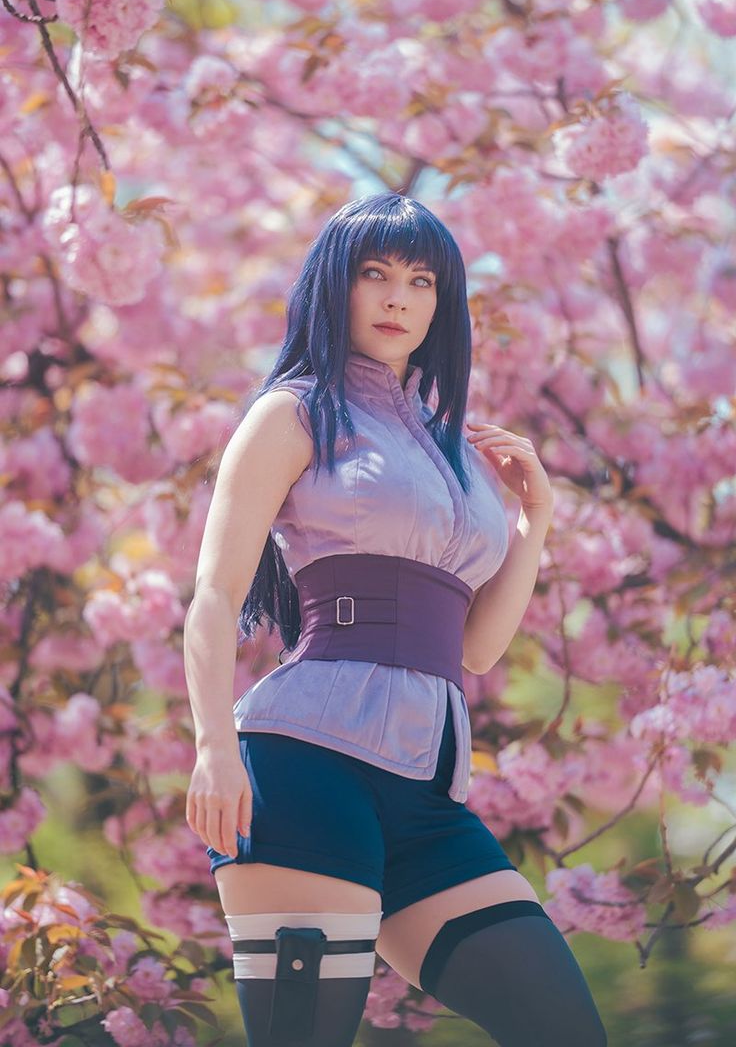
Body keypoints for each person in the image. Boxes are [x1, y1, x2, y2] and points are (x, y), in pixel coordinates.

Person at [183, 193, 607, 1046]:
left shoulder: (456, 450)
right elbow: (215, 595)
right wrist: (213, 750)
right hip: (304, 769)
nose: (396, 298)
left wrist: (534, 522)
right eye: (373, 274)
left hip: (428, 796)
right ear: (334, 288)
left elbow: (478, 650)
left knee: (566, 1029)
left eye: (420, 281)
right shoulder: (295, 411)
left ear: (441, 304)